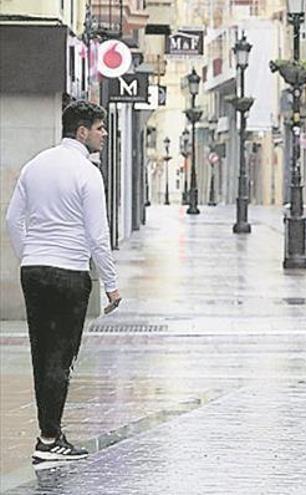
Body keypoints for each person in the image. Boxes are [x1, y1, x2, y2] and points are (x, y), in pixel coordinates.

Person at [5, 101, 121, 462]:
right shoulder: (87, 172)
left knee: (41, 353)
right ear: (81, 131)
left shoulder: (35, 165)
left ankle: (48, 433)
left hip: (34, 270)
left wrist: (31, 256)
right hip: (69, 271)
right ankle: (50, 439)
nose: (104, 134)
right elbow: (98, 235)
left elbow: (12, 220)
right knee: (62, 357)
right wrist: (111, 283)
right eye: (99, 128)